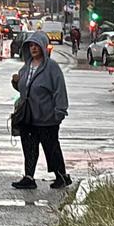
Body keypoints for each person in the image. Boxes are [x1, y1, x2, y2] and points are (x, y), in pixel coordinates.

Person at [10, 31, 71, 189]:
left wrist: (59, 112)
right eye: (31, 45)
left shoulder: (52, 67)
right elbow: (25, 90)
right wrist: (16, 83)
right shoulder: (26, 67)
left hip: (46, 117)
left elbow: (59, 90)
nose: (33, 48)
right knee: (29, 148)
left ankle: (61, 176)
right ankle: (29, 177)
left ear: (43, 47)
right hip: (28, 116)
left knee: (51, 147)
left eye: (36, 45)